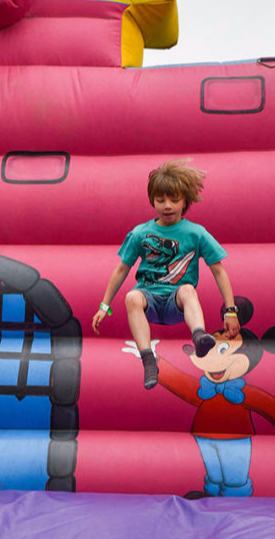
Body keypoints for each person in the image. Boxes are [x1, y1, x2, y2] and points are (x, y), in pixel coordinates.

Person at [92, 158, 240, 389]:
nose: (167, 206)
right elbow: (122, 269)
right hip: (149, 299)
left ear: (185, 202)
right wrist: (104, 306)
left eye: (174, 200)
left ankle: (199, 336)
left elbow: (219, 270)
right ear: (152, 200)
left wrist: (230, 311)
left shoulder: (196, 233)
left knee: (188, 289)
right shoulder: (141, 233)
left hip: (176, 303)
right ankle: (148, 360)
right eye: (160, 200)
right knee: (132, 297)